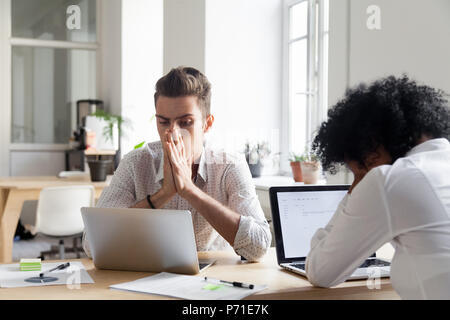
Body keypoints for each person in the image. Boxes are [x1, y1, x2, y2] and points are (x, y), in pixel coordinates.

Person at [82, 66, 271, 261]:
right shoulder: (135, 163)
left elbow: (259, 247)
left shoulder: (229, 166)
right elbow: (92, 244)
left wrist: (189, 190)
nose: (172, 132)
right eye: (163, 122)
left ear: (207, 123)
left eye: (186, 122)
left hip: (213, 283)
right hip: (145, 280)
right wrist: (161, 196)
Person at [305, 75, 450, 299]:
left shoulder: (389, 180)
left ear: (372, 150)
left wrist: (354, 193)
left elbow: (320, 271)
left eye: (359, 172)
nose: (359, 182)